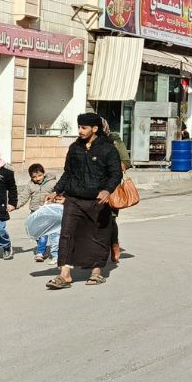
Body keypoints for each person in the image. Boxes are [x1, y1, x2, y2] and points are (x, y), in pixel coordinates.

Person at [45, 113, 123, 289]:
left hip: (98, 201)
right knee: (67, 234)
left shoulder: (108, 149)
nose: (79, 131)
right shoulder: (75, 148)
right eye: (79, 127)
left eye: (84, 127)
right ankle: (64, 275)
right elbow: (68, 172)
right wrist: (56, 190)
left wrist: (107, 190)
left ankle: (96, 273)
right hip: (73, 198)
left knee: (98, 236)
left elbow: (116, 174)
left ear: (95, 129)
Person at [102, 118, 131, 263]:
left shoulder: (114, 141)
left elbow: (126, 162)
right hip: (90, 186)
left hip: (111, 186)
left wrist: (114, 166)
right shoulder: (83, 143)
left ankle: (114, 244)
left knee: (110, 218)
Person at [23, 163, 59, 262]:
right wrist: (14, 205)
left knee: (46, 233)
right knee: (36, 232)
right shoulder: (30, 185)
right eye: (34, 177)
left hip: (49, 212)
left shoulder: (52, 183)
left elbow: (60, 192)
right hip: (35, 212)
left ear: (44, 174)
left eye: (39, 175)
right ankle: (43, 250)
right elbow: (23, 197)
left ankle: (41, 252)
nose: (37, 178)